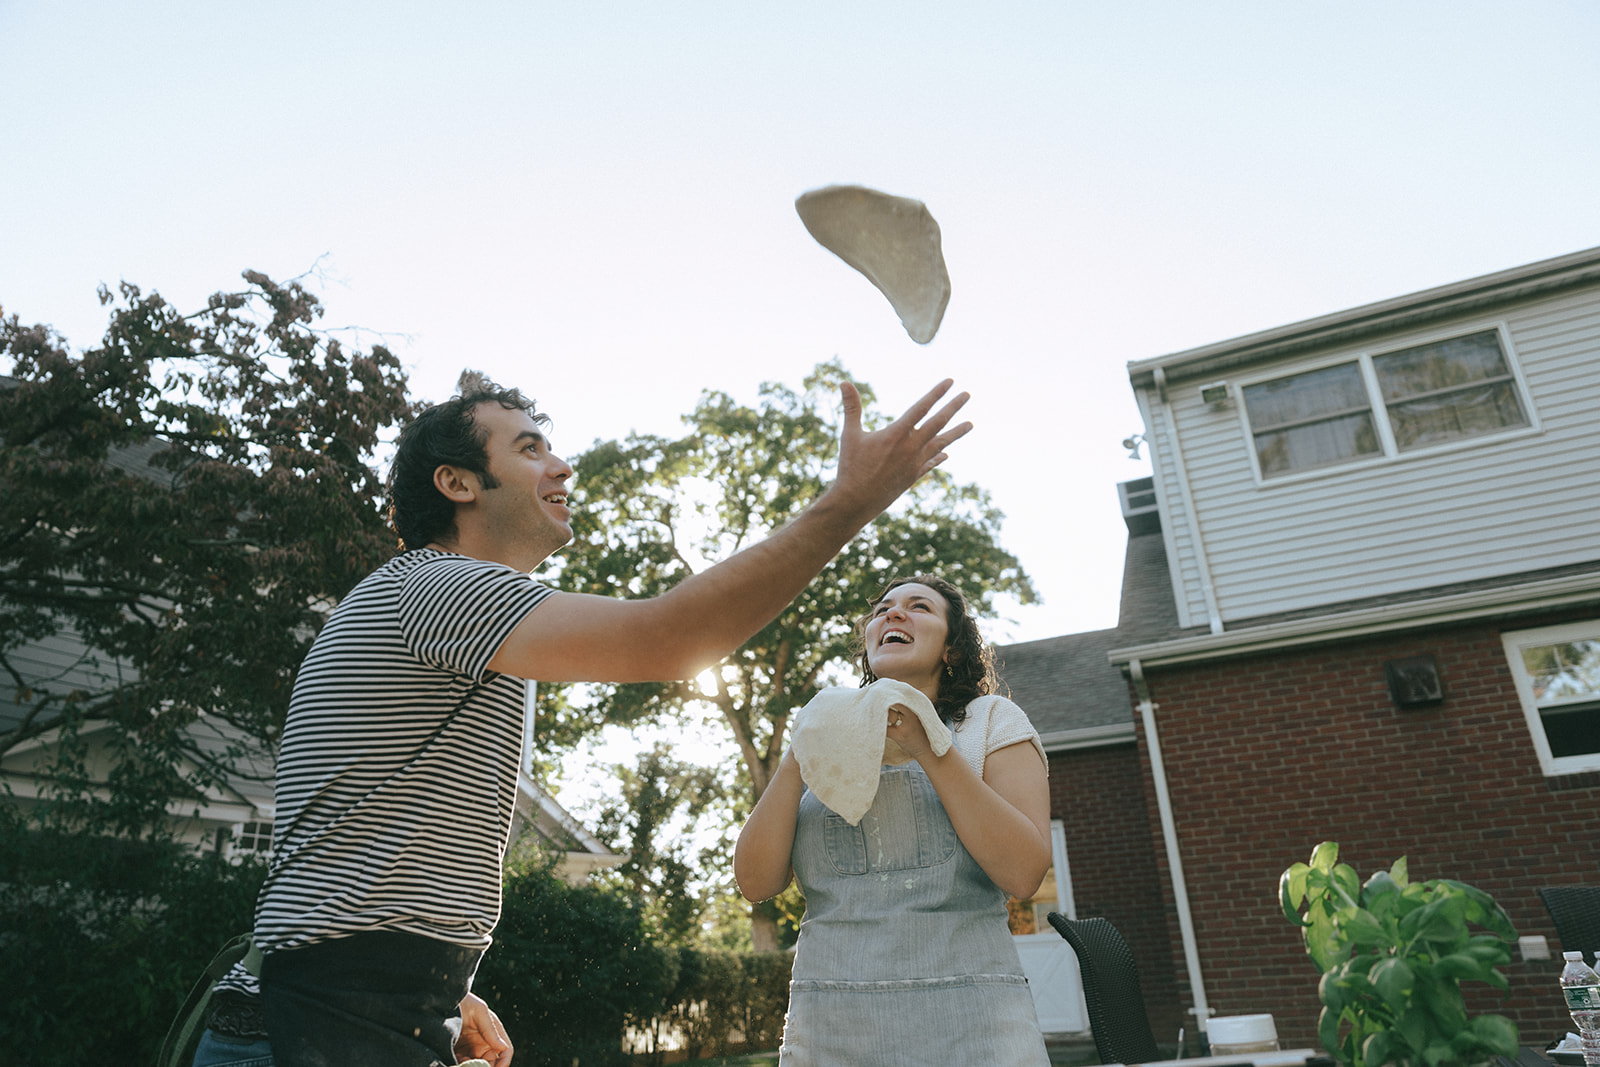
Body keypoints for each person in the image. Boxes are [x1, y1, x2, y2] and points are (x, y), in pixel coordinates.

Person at [228, 371, 969, 1067]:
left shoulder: (457, 616)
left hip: (354, 1004)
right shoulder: (438, 587)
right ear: (456, 483)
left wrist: (440, 991)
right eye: (528, 449)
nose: (562, 466)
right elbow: (671, 639)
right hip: (316, 1015)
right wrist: (851, 500)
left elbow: (368, 843)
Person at [733, 575, 1053, 1067]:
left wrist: (929, 748)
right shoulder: (823, 734)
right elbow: (755, 882)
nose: (893, 614)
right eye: (883, 608)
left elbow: (1024, 873)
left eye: (918, 607)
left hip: (974, 1023)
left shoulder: (991, 722)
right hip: (832, 1029)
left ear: (951, 649)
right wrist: (801, 752)